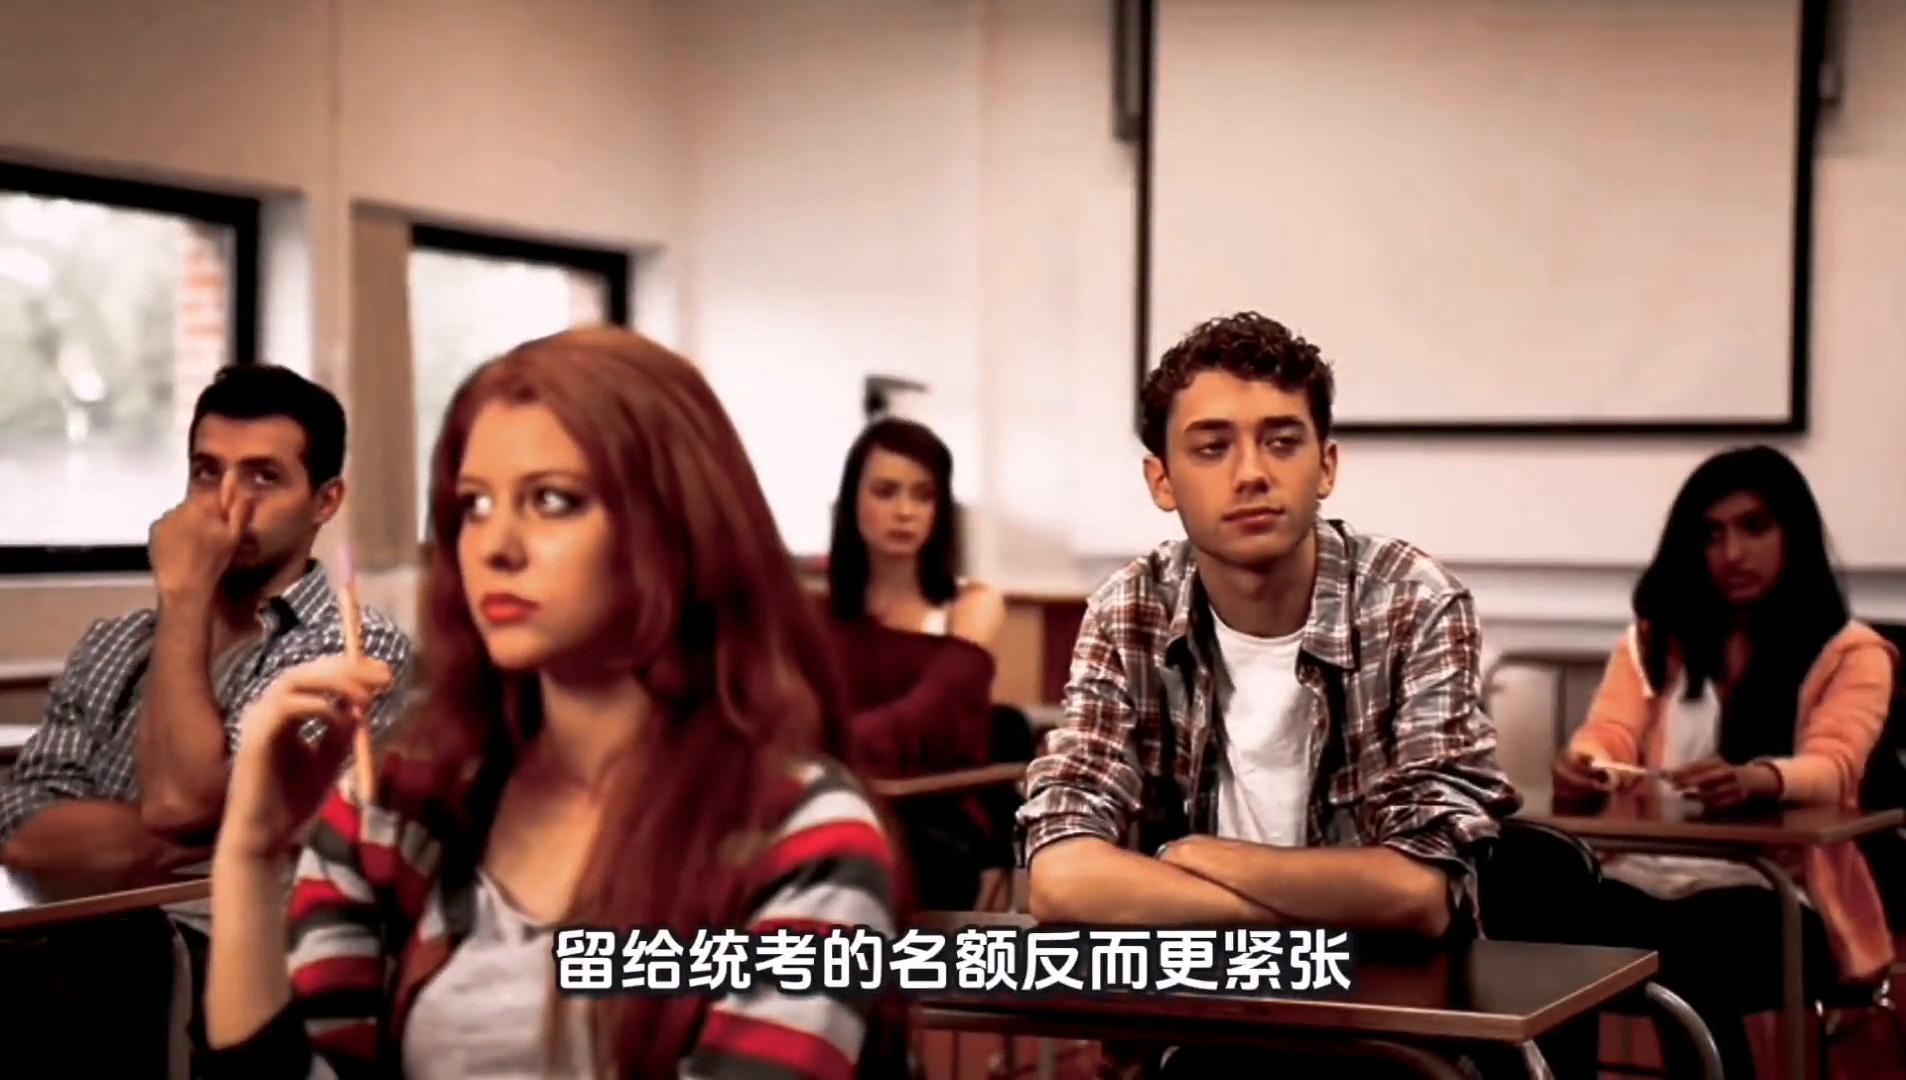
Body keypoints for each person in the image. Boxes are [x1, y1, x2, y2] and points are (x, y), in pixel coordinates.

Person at [202, 328, 900, 1078]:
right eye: (474, 505)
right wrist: (249, 857)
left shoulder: (797, 831)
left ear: (675, 522)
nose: (496, 545)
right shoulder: (400, 807)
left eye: (553, 500)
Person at [1017, 312, 1522, 1074]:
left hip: (1391, 1028)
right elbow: (1061, 878)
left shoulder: (1413, 601)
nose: (1251, 473)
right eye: (1211, 447)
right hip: (1198, 1024)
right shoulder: (1129, 609)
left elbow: (1418, 894)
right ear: (1162, 480)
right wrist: (1301, 917)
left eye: (1282, 442)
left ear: (1326, 466)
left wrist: (1194, 860)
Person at [0, 364, 411, 1075]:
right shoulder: (115, 643)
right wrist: (189, 835)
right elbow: (21, 827)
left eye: (263, 478)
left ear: (325, 501)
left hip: (221, 967)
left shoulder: (352, 646)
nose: (225, 504)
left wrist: (185, 596)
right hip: (66, 939)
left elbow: (181, 802)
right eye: (206, 471)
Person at [1549, 446, 1896, 1080]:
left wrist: (1761, 781)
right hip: (1647, 878)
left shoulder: (1852, 653)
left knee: (1689, 947)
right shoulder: (1654, 640)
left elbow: (1836, 765)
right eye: (1711, 535)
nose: (1732, 553)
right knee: (1542, 923)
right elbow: (1611, 732)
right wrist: (1587, 762)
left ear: (1794, 533)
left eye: (1754, 527)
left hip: (1782, 895)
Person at [823, 418, 1014, 907]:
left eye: (923, 496)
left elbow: (928, 717)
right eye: (886, 492)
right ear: (852, 501)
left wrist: (831, 748)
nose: (905, 512)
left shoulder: (972, 604)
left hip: (933, 806)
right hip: (841, 795)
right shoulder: (818, 615)